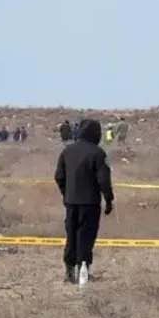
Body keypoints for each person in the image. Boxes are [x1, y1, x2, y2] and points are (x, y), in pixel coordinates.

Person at [54, 118, 115, 285]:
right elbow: (104, 180)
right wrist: (108, 200)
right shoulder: (98, 153)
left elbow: (59, 176)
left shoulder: (67, 152)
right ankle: (84, 270)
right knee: (85, 237)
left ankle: (69, 271)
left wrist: (66, 194)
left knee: (71, 235)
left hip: (71, 202)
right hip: (90, 203)